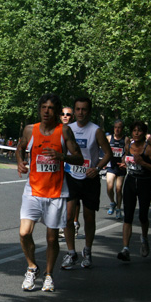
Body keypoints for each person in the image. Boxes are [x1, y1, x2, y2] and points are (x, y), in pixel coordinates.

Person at [16, 93, 83, 291]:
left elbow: (79, 158)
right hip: (33, 190)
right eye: (44, 107)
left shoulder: (64, 131)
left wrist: (61, 156)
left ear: (57, 111)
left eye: (51, 108)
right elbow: (20, 147)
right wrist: (20, 162)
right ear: (39, 109)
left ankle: (48, 275)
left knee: (52, 238)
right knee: (24, 232)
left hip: (56, 192)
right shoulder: (30, 130)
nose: (47, 111)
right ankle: (31, 267)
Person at [61, 97, 113, 270]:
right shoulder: (67, 129)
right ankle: (70, 253)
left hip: (90, 178)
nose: (80, 112)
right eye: (78, 109)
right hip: (71, 176)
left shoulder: (96, 131)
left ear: (89, 112)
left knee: (89, 218)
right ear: (74, 111)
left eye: (84, 109)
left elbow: (108, 153)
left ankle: (88, 251)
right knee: (68, 217)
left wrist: (97, 168)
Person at [117, 121, 151, 261]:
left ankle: (144, 238)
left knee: (142, 215)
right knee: (128, 215)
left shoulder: (148, 149)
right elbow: (126, 158)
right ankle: (125, 249)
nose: (136, 133)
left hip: (144, 183)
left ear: (144, 132)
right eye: (134, 130)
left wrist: (144, 163)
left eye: (139, 130)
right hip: (130, 181)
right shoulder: (128, 145)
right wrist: (125, 163)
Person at [60, 106, 81, 234]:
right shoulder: (56, 129)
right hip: (59, 168)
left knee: (74, 198)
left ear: (72, 117)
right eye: (63, 114)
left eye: (68, 114)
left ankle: (74, 221)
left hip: (74, 168)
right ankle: (64, 223)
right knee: (61, 197)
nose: (65, 116)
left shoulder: (76, 130)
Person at [105, 119, 129, 219]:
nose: (117, 129)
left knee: (118, 189)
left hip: (120, 167)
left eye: (119, 127)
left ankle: (118, 209)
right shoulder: (109, 138)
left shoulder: (126, 139)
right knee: (109, 187)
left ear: (122, 128)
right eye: (115, 127)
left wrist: (124, 160)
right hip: (111, 165)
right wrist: (104, 161)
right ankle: (112, 202)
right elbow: (105, 150)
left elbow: (127, 152)